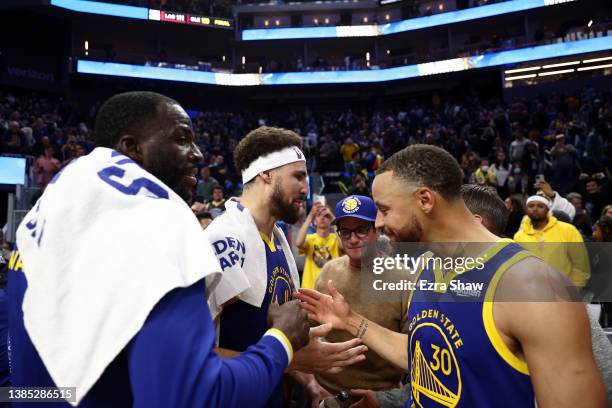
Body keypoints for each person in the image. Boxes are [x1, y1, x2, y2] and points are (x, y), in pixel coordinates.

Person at [7, 91, 311, 407]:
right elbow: (194, 397)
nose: (198, 154)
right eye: (182, 138)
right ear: (132, 147)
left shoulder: (48, 213)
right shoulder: (161, 222)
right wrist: (282, 342)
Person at [296, 144, 606, 408]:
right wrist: (350, 320)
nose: (378, 222)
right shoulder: (428, 268)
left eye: (384, 209)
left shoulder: (533, 285)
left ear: (425, 200)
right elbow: (429, 355)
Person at [205, 126, 366, 407]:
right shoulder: (226, 240)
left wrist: (311, 385)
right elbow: (193, 358)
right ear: (266, 174)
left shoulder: (277, 237)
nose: (306, 189)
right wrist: (287, 358)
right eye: (298, 176)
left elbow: (276, 332)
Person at [314, 195, 407, 405]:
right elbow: (308, 330)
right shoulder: (328, 272)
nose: (353, 239)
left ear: (377, 231)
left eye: (361, 230)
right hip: (326, 393)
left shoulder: (404, 279)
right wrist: (311, 384)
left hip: (378, 398)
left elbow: (414, 353)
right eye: (345, 232)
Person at [514, 195, 590, 288]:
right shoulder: (519, 236)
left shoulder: (568, 230)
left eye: (540, 206)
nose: (535, 209)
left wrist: (574, 288)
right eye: (531, 206)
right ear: (526, 210)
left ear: (548, 209)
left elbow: (581, 263)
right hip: (531, 292)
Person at [296, 203, 342, 289]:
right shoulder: (310, 239)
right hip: (310, 289)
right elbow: (298, 243)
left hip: (331, 289)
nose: (322, 217)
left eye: (326, 216)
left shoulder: (336, 239)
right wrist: (310, 217)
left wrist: (333, 218)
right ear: (314, 222)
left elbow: (343, 246)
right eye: (318, 215)